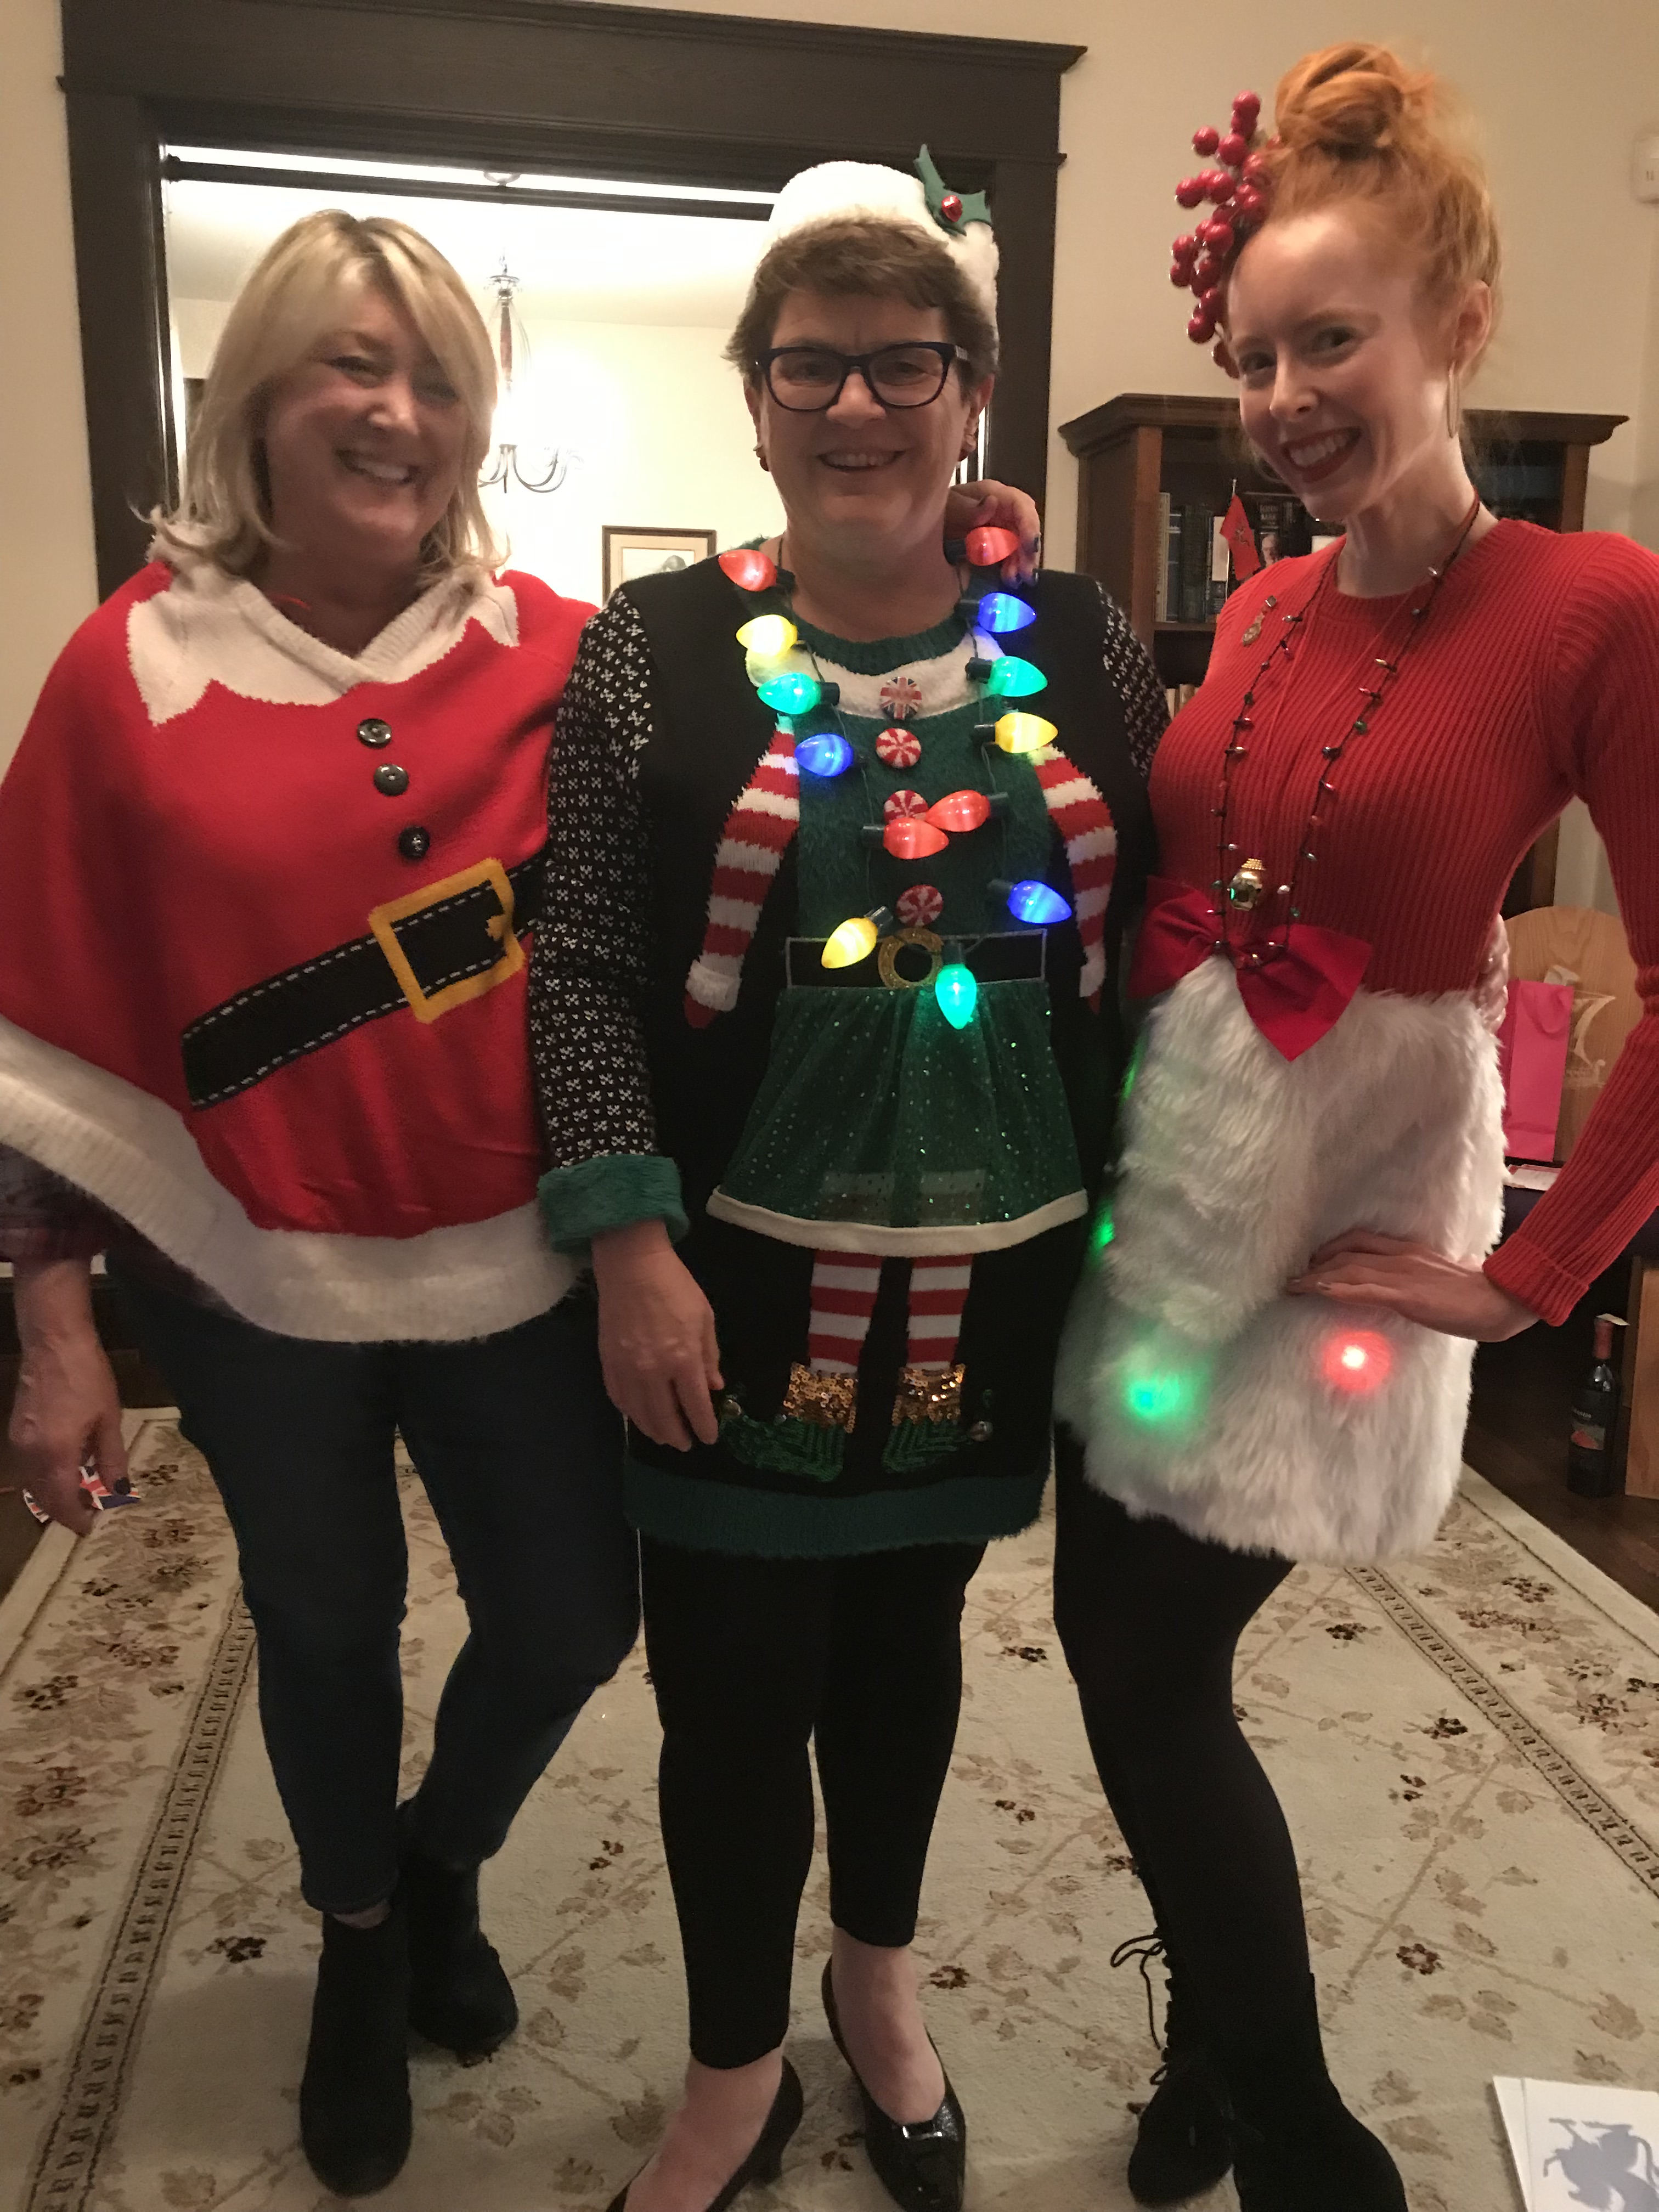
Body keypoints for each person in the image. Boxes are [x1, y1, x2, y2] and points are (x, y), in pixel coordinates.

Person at [1053, 45, 1659, 2212]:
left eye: (1333, 342)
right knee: (1114, 1646)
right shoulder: (1262, 603)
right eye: (1253, 357)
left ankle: (1292, 2121)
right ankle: (1218, 2057)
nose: (1284, 396)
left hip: (1335, 1224)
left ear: (1458, 324)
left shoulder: (1594, 613)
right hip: (1169, 1204)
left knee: (1149, 1665)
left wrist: (1530, 1276)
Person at [530, 155, 1162, 2212]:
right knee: (728, 1683)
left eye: (907, 363)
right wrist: (629, 1243)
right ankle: (735, 2069)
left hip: (999, 1270)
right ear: (756, 398)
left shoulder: (1079, 634)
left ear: (971, 389)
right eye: (813, 365)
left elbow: (1160, 918)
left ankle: (876, 1983)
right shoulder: (650, 646)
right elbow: (587, 959)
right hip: (722, 1283)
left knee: (907, 1645)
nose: (860, 404)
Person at [0, 210, 648, 2197]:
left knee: (571, 1615)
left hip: (519, 1265)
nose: (401, 413)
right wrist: (53, 1336)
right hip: (250, 1282)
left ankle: (440, 1862)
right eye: (355, 365)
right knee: (326, 1625)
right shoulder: (126, 669)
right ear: (256, 400)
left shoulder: (566, 652)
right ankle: (362, 1943)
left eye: (441, 378)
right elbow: (43, 1018)